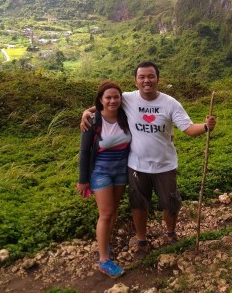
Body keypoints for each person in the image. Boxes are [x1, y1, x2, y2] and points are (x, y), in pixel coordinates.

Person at [81, 61, 216, 259]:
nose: (147, 81)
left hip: (165, 164)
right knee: (138, 204)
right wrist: (87, 112)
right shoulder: (128, 98)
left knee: (170, 203)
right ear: (135, 81)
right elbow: (108, 102)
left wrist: (205, 126)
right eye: (142, 77)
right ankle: (142, 240)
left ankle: (170, 234)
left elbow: (188, 129)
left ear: (158, 79)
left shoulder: (170, 103)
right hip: (136, 165)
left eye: (151, 76)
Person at [77, 81, 131, 278]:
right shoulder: (92, 120)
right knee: (106, 213)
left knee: (113, 211)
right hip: (100, 172)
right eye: (107, 97)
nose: (112, 100)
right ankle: (104, 260)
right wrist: (83, 180)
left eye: (116, 97)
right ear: (100, 100)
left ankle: (105, 241)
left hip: (121, 171)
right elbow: (84, 152)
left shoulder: (126, 115)